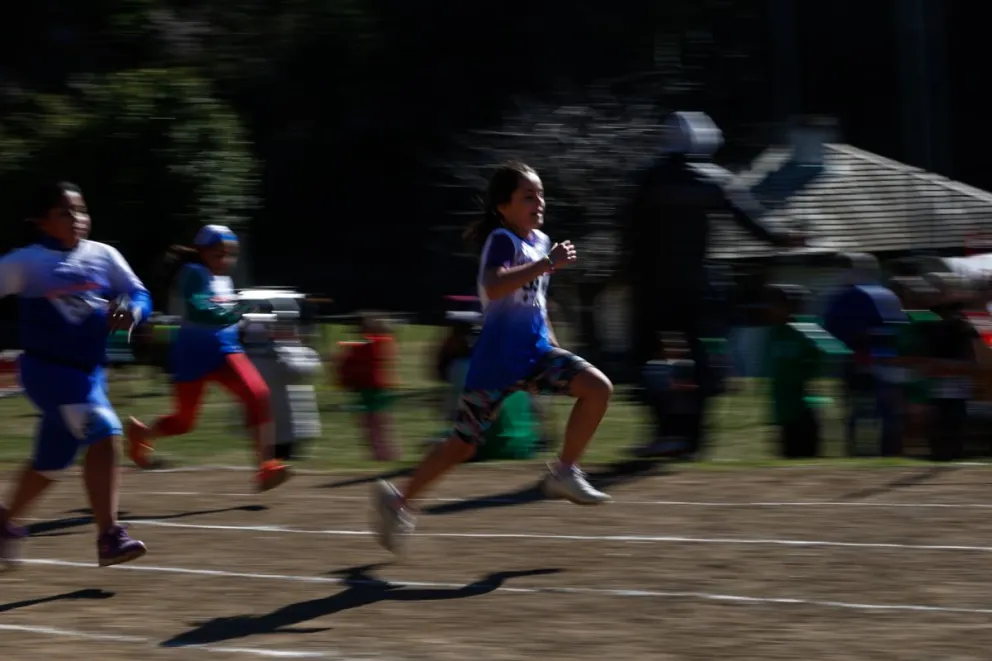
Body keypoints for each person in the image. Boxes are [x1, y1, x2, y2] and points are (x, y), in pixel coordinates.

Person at [371, 161, 614, 553]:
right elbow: (494, 285)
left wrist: (553, 346)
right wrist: (547, 262)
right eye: (528, 196)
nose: (539, 202)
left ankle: (565, 471)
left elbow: (536, 303)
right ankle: (397, 503)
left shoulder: (539, 241)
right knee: (462, 446)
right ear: (503, 206)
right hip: (496, 365)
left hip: (536, 355)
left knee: (598, 388)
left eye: (541, 194)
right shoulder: (503, 240)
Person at [623, 111, 805, 460]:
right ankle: (693, 440)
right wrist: (787, 238)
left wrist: (623, 275)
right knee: (701, 363)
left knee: (644, 362)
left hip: (650, 287)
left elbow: (627, 232)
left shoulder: (647, 179)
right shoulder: (715, 179)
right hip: (697, 286)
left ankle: (664, 431)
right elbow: (756, 225)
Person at [0, 181, 151, 569]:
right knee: (105, 432)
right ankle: (109, 536)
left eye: (81, 210)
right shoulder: (26, 262)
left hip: (91, 374)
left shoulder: (103, 255)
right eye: (65, 212)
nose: (78, 219)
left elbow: (138, 292)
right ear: (42, 221)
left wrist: (133, 312)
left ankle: (3, 523)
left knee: (50, 464)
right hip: (47, 371)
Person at [125, 225, 289, 491]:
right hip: (192, 355)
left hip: (226, 351)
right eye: (218, 254)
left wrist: (243, 318)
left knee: (257, 394)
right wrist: (240, 310)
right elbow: (201, 312)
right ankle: (142, 433)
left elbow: (223, 316)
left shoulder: (225, 279)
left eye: (230, 254)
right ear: (201, 252)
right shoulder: (193, 273)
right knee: (184, 422)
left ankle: (266, 466)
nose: (225, 260)